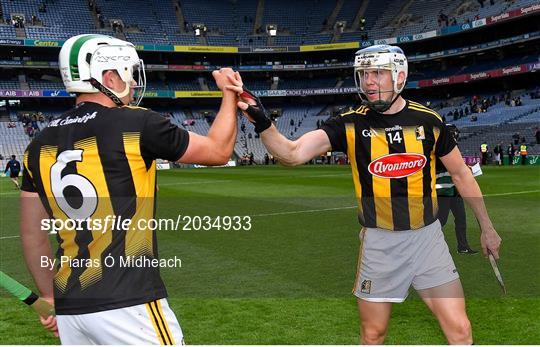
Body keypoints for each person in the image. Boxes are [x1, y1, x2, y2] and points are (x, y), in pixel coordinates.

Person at [231, 44, 501, 344]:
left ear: (399, 75)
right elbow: (292, 154)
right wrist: (263, 121)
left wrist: (487, 229)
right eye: (364, 74)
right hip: (380, 242)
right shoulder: (350, 123)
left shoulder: (429, 121)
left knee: (461, 330)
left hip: (427, 239)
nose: (369, 82)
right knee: (373, 334)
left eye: (378, 73)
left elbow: (462, 175)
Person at [20, 34, 239, 345]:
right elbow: (218, 151)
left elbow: (32, 234)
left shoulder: (37, 144)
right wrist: (229, 94)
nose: (134, 83)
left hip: (71, 306)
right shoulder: (136, 123)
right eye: (129, 74)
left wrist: (47, 296)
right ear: (109, 77)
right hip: (128, 301)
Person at [435, 125, 477, 254]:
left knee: (460, 219)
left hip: (454, 189)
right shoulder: (441, 148)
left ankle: (463, 246)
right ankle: (431, 248)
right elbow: (450, 167)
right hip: (443, 190)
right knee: (440, 221)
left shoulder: (450, 147)